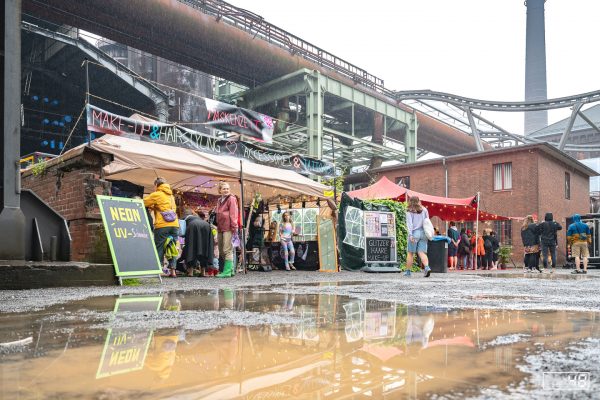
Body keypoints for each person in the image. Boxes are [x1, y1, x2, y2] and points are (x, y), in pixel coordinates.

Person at [144, 177, 180, 277]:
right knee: (172, 247)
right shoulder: (171, 196)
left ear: (156, 185)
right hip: (174, 224)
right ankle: (173, 271)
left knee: (159, 247)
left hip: (162, 225)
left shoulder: (157, 194)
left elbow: (144, 202)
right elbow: (164, 206)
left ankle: (158, 270)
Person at [215, 181, 239, 278]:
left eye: (227, 188)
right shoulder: (219, 200)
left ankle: (227, 271)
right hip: (220, 227)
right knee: (221, 250)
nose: (226, 190)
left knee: (227, 249)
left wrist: (234, 227)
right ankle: (230, 270)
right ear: (220, 190)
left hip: (228, 227)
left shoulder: (231, 199)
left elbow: (233, 213)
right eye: (224, 188)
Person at [181, 209, 214, 277]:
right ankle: (203, 272)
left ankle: (190, 272)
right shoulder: (198, 218)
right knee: (205, 248)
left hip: (193, 226)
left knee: (191, 248)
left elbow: (182, 233)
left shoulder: (185, 220)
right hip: (206, 225)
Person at [405, 196, 431, 277]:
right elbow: (427, 221)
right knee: (421, 252)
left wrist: (410, 235)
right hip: (424, 233)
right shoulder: (424, 209)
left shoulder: (409, 210)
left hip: (414, 233)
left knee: (410, 253)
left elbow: (410, 224)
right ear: (418, 201)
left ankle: (408, 272)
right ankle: (427, 267)